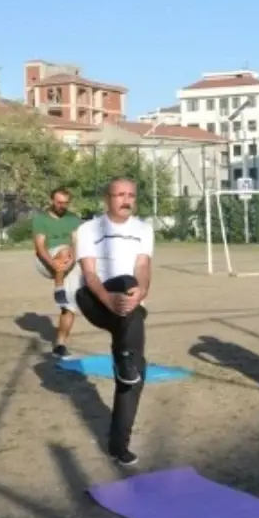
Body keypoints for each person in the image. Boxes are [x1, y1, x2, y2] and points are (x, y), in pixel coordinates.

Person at [73, 178, 154, 467]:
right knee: (125, 281)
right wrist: (109, 299)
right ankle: (123, 355)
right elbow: (90, 273)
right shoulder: (89, 229)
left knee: (134, 375)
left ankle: (119, 446)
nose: (126, 200)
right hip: (96, 300)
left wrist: (141, 291)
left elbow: (143, 266)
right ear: (107, 198)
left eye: (131, 195)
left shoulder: (144, 230)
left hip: (130, 308)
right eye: (120, 195)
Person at [32, 187, 82, 357]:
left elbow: (77, 244)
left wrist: (72, 262)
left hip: (68, 261)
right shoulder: (41, 220)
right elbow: (40, 248)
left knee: (70, 306)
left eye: (65, 203)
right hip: (46, 260)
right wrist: (54, 265)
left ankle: (60, 344)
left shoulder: (73, 219)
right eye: (59, 202)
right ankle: (58, 287)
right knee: (64, 249)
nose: (62, 206)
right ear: (52, 201)